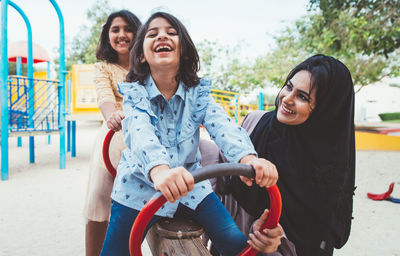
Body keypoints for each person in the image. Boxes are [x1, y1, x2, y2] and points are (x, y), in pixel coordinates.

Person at [100, 11, 284, 256]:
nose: (162, 36)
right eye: (152, 34)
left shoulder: (198, 95)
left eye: (171, 33)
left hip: (191, 187)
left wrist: (248, 160)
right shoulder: (135, 94)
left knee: (235, 243)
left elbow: (224, 127)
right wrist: (159, 170)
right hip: (139, 187)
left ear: (184, 51)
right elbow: (139, 131)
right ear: (142, 55)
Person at [201, 55, 355, 256]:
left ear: (325, 111)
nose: (287, 99)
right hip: (230, 243)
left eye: (303, 97)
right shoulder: (256, 122)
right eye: (289, 87)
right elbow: (222, 168)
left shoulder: (327, 170)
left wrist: (276, 238)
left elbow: (316, 233)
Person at [82, 10, 141, 256]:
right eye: (115, 29)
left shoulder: (145, 67)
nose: (122, 34)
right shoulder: (104, 67)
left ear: (138, 33)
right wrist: (112, 116)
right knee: (99, 197)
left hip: (142, 137)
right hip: (113, 135)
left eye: (128, 29)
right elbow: (105, 98)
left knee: (133, 202)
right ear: (108, 35)